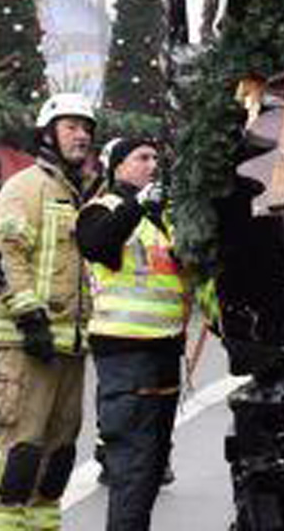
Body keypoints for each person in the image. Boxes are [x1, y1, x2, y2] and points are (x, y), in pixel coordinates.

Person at [0, 92, 99, 531]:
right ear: (48, 134)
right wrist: (30, 318)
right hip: (27, 344)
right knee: (20, 455)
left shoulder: (78, 193)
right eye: (71, 126)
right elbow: (3, 257)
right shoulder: (26, 187)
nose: (81, 135)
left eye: (86, 128)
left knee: (57, 458)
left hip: (69, 347)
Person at [77, 135, 191, 531]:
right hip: (126, 356)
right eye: (142, 157)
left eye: (156, 158)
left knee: (152, 469)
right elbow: (96, 243)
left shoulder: (164, 218)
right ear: (117, 167)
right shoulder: (101, 209)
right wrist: (138, 205)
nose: (152, 164)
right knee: (133, 471)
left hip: (164, 353)